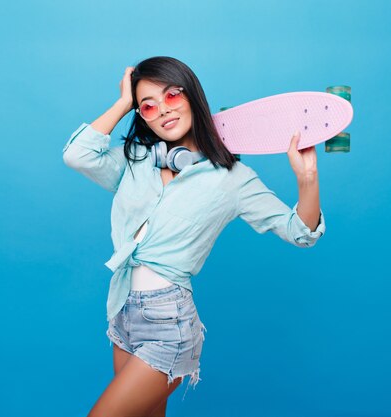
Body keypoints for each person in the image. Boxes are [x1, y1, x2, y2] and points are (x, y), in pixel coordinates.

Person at [62, 56, 326, 417]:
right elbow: (78, 155)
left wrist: (307, 179)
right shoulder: (135, 159)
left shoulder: (232, 177)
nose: (163, 111)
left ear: (192, 96)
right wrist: (124, 103)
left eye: (172, 96)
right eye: (148, 105)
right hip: (122, 310)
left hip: (169, 322)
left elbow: (300, 233)